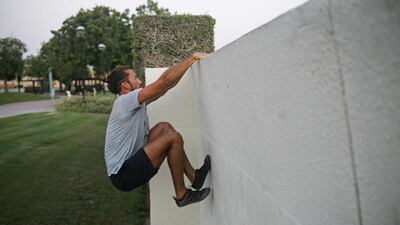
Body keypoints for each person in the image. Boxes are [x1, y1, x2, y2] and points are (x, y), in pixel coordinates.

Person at [104, 52, 211, 207]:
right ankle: (182, 195)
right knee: (173, 137)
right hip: (123, 175)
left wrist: (187, 65)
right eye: (135, 77)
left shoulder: (132, 101)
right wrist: (192, 57)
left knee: (164, 128)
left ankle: (195, 177)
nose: (139, 80)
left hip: (129, 164)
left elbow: (164, 86)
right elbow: (163, 82)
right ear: (125, 85)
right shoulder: (125, 101)